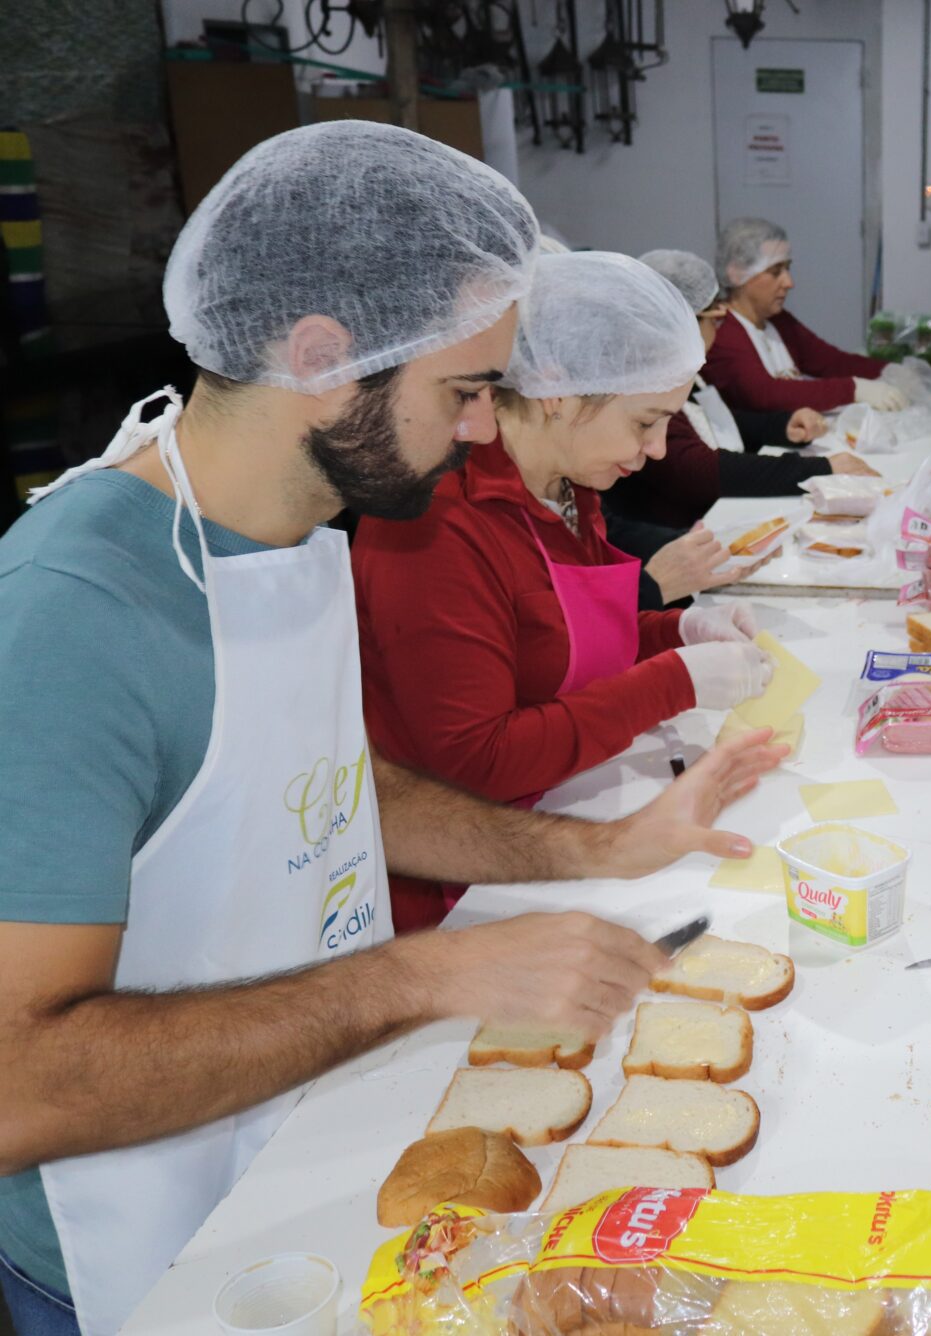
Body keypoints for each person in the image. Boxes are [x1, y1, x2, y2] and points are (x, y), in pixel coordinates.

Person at [0, 124, 781, 1336]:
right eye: (463, 391)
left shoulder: (294, 531)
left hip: (310, 1136)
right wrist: (427, 972)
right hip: (146, 1237)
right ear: (321, 357)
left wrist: (598, 851)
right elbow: (18, 1086)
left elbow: (309, 779)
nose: (483, 430)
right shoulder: (71, 617)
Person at [353, 250, 780, 934]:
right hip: (459, 892)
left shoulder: (567, 485)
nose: (661, 451)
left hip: (561, 816)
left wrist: (678, 632)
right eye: (645, 422)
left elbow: (558, 643)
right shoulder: (438, 521)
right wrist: (674, 680)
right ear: (557, 390)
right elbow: (477, 762)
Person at [599, 250, 878, 540]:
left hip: (704, 517)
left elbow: (706, 419)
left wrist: (781, 426)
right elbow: (696, 469)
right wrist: (819, 467)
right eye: (714, 323)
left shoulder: (677, 371)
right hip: (676, 532)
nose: (717, 332)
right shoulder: (644, 384)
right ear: (681, 323)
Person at [702, 216, 931, 415]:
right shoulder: (720, 332)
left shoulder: (779, 322)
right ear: (736, 274)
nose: (789, 283)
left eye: (788, 269)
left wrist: (889, 370)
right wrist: (853, 389)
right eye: (775, 272)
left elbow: (832, 362)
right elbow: (764, 394)